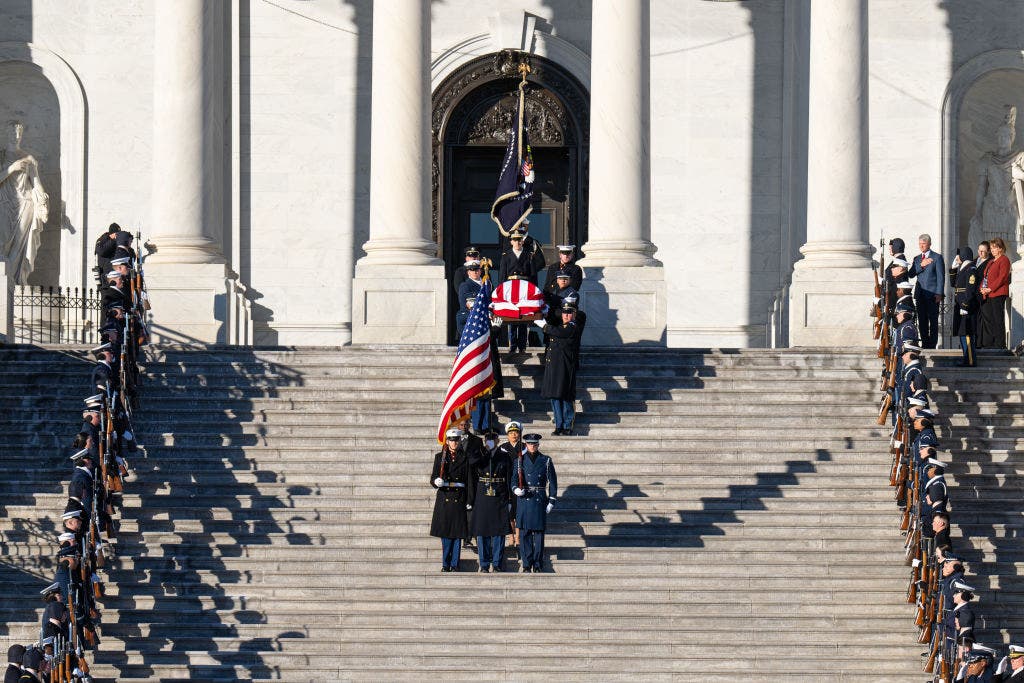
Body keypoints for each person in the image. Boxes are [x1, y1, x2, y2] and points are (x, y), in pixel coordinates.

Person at [510, 433, 557, 573]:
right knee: (524, 533)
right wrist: (515, 488)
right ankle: (526, 563)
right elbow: (513, 479)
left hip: (539, 498)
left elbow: (552, 482)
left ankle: (537, 563)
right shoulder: (519, 460)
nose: (532, 446)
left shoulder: (546, 460)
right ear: (526, 444)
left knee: (539, 534)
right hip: (524, 498)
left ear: (538, 445)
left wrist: (552, 500)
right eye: (530, 444)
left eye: (535, 444)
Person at [468, 429, 513, 572]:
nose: (491, 441)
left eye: (493, 439)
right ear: (484, 440)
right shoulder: (480, 453)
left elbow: (509, 476)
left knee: (499, 531)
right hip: (483, 493)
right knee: (482, 530)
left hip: (499, 493)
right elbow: (472, 462)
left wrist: (510, 499)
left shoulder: (504, 456)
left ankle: (497, 562)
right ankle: (484, 563)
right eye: (488, 439)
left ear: (498, 441)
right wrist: (485, 449)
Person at [537, 300, 581, 435]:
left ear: (574, 314)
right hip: (554, 367)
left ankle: (567, 425)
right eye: (564, 313)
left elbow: (560, 332)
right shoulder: (560, 327)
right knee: (555, 397)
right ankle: (559, 425)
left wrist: (545, 326)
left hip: (565, 367)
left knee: (566, 396)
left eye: (569, 313)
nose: (566, 315)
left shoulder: (572, 327)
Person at [430, 429, 470, 572]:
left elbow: (468, 480)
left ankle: (455, 564)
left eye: (456, 440)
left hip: (459, 497)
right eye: (452, 440)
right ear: (447, 441)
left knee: (457, 533)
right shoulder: (440, 457)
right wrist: (436, 481)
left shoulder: (465, 457)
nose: (454, 443)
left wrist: (469, 499)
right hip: (444, 496)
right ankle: (445, 563)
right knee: (446, 532)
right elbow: (433, 477)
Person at [498, 227, 541, 353]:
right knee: (512, 316)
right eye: (515, 240)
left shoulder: (529, 255)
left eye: (519, 240)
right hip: (510, 289)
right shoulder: (506, 256)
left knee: (523, 316)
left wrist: (534, 292)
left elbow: (533, 275)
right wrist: (501, 292)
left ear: (522, 241)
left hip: (524, 289)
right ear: (511, 241)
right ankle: (512, 345)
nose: (517, 242)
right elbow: (502, 276)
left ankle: (522, 346)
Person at [908, 233, 945, 349]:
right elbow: (911, 274)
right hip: (920, 294)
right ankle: (924, 343)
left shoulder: (937, 257)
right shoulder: (917, 258)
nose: (921, 246)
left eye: (924, 243)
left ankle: (932, 345)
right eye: (920, 244)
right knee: (922, 320)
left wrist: (939, 293)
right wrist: (921, 265)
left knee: (933, 321)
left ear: (929, 244)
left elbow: (941, 277)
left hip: (933, 295)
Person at [497, 422, 524, 559]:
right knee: (509, 511)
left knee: (518, 510)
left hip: (519, 483)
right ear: (507, 435)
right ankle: (510, 535)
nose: (514, 435)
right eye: (511, 432)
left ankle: (518, 536)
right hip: (505, 482)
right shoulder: (503, 448)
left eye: (516, 432)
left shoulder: (524, 447)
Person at [979, 237, 1010, 350]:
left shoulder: (1004, 260)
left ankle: (1000, 344)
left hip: (998, 293)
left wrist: (990, 288)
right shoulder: (991, 261)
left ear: (1000, 248)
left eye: (994, 248)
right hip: (988, 293)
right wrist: (982, 288)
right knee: (989, 319)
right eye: (991, 248)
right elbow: (985, 277)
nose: (992, 250)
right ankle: (990, 343)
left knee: (998, 318)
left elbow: (1002, 277)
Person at [951, 246, 980, 367]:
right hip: (961, 306)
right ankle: (966, 358)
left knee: (967, 333)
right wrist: (953, 269)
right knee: (962, 332)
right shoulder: (963, 268)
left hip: (966, 306)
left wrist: (965, 305)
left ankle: (970, 360)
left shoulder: (971, 268)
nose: (957, 258)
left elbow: (970, 288)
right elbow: (953, 284)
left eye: (958, 255)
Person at [455, 260, 483, 338]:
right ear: (468, 272)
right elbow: (465, 306)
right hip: (471, 318)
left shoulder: (487, 284)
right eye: (472, 270)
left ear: (480, 271)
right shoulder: (465, 285)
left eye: (477, 269)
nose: (475, 272)